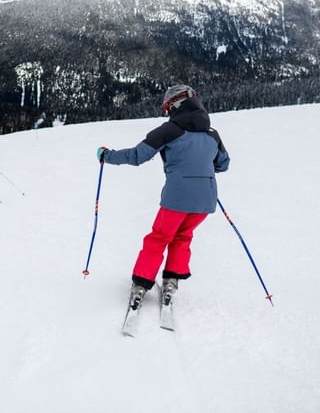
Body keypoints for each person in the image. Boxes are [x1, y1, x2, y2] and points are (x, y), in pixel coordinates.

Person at [97, 84, 230, 310]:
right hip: (205, 200)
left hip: (177, 197)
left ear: (174, 105)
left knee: (159, 238)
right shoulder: (212, 134)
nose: (167, 113)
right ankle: (171, 282)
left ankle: (141, 284)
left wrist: (106, 156)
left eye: (167, 108)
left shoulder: (169, 130)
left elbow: (137, 156)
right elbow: (223, 164)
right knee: (183, 236)